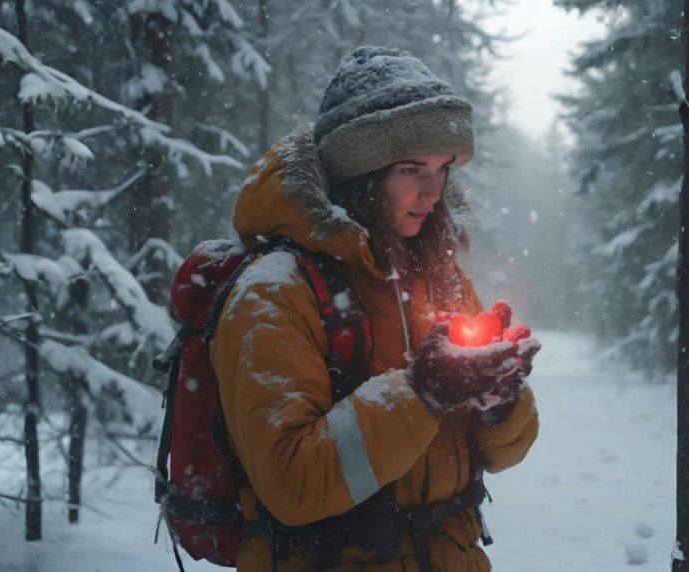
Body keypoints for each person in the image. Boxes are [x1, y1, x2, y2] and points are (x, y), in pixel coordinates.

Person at [210, 46, 541, 572]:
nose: (432, 191)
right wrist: (423, 393)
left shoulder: (439, 274)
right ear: (359, 174)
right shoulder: (275, 290)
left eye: (441, 169)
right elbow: (292, 484)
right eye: (411, 169)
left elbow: (504, 454)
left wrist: (500, 403)